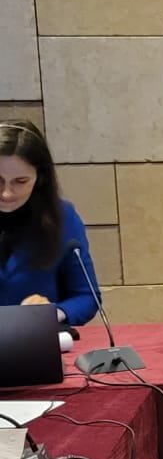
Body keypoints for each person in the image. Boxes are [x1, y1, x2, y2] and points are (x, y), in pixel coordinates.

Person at [0, 119, 100, 325]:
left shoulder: (63, 217)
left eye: (20, 181)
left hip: (34, 339)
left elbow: (87, 296)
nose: (6, 193)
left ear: (40, 178)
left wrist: (53, 313)